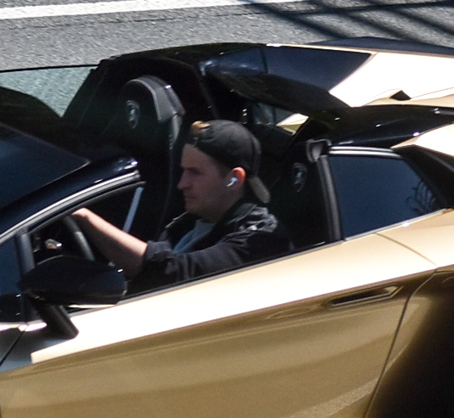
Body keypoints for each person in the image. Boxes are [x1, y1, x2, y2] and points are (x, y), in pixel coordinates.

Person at [73, 120, 291, 292]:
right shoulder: (191, 221)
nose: (181, 184)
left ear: (234, 179)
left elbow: (170, 272)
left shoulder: (258, 239)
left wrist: (83, 216)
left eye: (195, 173)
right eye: (184, 170)